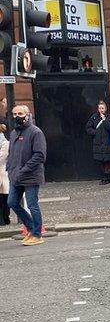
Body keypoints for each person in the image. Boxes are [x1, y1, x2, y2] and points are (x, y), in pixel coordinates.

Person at [7, 105, 48, 246]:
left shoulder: (35, 132)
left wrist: (24, 169)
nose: (17, 116)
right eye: (14, 113)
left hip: (31, 175)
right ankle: (32, 228)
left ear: (27, 115)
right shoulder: (13, 133)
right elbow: (11, 153)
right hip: (15, 175)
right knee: (11, 202)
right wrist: (10, 169)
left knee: (32, 205)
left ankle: (37, 234)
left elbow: (40, 155)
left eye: (20, 113)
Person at [86, 100, 110, 185]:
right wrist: (94, 132)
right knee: (101, 161)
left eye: (102, 108)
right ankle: (104, 177)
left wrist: (104, 120)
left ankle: (107, 177)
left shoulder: (109, 118)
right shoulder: (94, 117)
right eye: (99, 108)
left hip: (107, 143)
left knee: (108, 161)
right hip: (98, 144)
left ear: (105, 109)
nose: (101, 110)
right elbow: (88, 128)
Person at [0, 126, 9, 225]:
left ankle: (4, 218)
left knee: (3, 198)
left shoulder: (4, 142)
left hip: (2, 173)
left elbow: (1, 158)